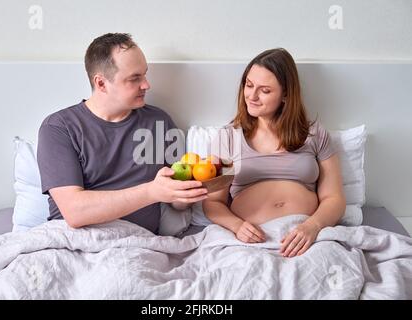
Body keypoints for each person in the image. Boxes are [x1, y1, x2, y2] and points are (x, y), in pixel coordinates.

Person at [37, 33, 208, 234]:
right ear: (101, 83)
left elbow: (175, 202)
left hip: (139, 242)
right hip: (76, 241)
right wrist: (151, 192)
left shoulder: (158, 122)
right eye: (135, 78)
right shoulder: (59, 128)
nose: (146, 85)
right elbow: (75, 212)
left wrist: (186, 193)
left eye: (144, 74)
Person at [203, 48, 346, 257]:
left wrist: (312, 227)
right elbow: (213, 203)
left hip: (306, 238)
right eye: (249, 85)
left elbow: (334, 198)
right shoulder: (229, 137)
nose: (251, 96)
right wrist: (237, 226)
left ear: (286, 94)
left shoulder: (314, 135)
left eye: (265, 90)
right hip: (250, 239)